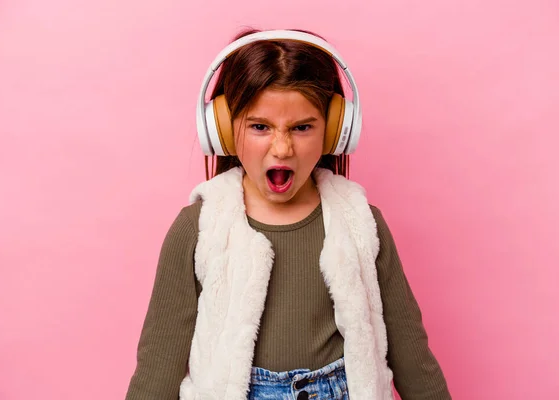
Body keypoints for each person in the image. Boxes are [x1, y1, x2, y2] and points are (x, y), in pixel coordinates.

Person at [125, 28, 451, 400]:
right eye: (260, 126)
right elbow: (157, 365)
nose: (282, 148)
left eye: (302, 128)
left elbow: (412, 355)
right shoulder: (198, 229)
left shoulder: (361, 222)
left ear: (334, 132)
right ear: (224, 131)